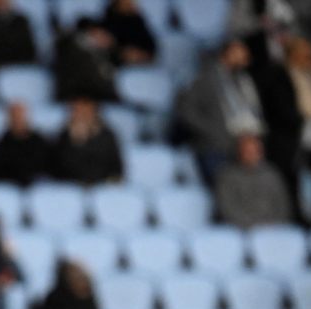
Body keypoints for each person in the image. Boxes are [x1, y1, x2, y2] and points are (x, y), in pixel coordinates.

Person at [174, 38, 267, 184]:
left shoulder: (245, 80)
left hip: (242, 147)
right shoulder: (206, 78)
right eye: (239, 52)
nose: (244, 56)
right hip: (217, 148)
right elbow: (185, 109)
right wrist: (211, 130)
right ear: (226, 53)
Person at [214, 133, 294, 229]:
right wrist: (252, 225)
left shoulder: (272, 174)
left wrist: (273, 224)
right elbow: (227, 209)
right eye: (247, 151)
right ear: (239, 152)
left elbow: (283, 205)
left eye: (256, 151)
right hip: (241, 230)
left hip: (273, 228)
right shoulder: (227, 176)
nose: (252, 155)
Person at [50, 97, 124, 186]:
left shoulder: (107, 136)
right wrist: (77, 142)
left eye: (85, 111)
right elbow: (57, 171)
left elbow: (115, 169)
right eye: (77, 110)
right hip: (70, 189)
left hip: (101, 187)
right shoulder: (63, 136)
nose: (81, 115)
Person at [0, 100, 53, 187]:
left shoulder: (41, 143)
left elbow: (52, 169)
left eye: (20, 115)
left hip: (39, 189)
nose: (17, 119)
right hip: (9, 192)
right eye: (14, 116)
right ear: (7, 118)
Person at [31, 259, 100, 309]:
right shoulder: (56, 299)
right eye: (75, 276)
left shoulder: (88, 303)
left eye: (80, 277)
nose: (78, 280)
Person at [54, 17, 119, 103]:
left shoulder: (104, 53)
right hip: (76, 96)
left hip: (97, 97)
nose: (108, 39)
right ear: (92, 33)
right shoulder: (72, 50)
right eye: (103, 34)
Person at [101, 0, 157, 66]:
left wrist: (140, 55)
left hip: (139, 68)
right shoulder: (109, 19)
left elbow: (151, 50)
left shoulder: (137, 20)